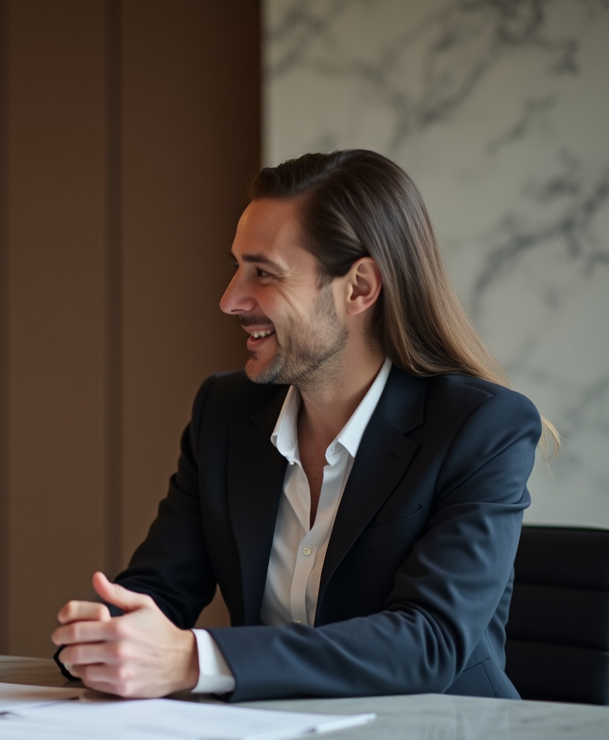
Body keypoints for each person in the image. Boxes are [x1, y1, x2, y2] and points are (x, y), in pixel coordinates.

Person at [52, 149, 549, 702]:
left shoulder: (482, 427)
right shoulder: (224, 413)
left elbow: (428, 642)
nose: (230, 299)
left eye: (263, 273)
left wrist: (195, 660)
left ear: (358, 287)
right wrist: (106, 638)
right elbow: (159, 588)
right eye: (237, 266)